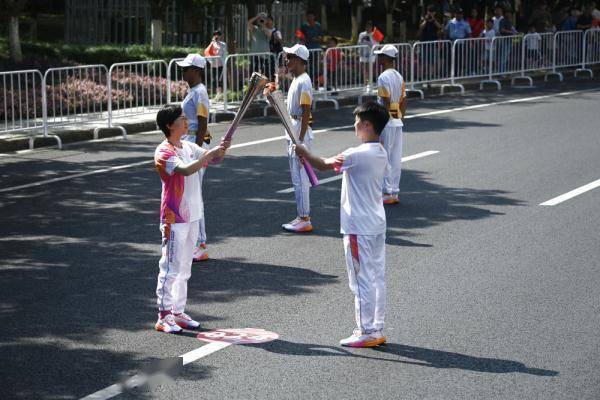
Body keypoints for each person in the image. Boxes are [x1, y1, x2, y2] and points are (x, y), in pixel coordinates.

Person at [293, 102, 389, 347]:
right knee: (376, 278)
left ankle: (365, 330)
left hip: (358, 226)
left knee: (360, 280)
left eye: (357, 121)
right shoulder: (380, 151)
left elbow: (323, 165)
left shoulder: (357, 154)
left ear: (367, 125)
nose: (354, 125)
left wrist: (303, 151)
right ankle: (376, 327)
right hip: (376, 224)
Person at [153, 104, 230, 333]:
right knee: (170, 268)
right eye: (182, 119)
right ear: (169, 125)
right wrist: (211, 154)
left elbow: (213, 160)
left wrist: (221, 150)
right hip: (174, 217)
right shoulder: (163, 152)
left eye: (186, 119)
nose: (187, 122)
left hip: (194, 214)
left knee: (185, 268)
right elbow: (186, 170)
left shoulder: (187, 146)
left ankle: (177, 312)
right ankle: (163, 315)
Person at [269, 44, 315, 233]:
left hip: (298, 131)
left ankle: (304, 218)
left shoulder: (304, 81)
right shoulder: (297, 80)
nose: (286, 60)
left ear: (299, 60)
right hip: (293, 128)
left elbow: (306, 112)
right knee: (296, 178)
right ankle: (301, 215)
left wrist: (300, 141)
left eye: (289, 57)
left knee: (301, 179)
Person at [177, 53, 212, 262]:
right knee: (189, 196)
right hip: (189, 144)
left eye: (186, 68)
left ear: (197, 71)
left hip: (195, 145)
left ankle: (201, 244)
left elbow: (202, 124)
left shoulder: (200, 92)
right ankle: (196, 242)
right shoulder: (194, 91)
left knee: (194, 196)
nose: (183, 71)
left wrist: (196, 154)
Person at [374, 45, 406, 205]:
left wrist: (381, 121)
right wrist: (400, 117)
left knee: (384, 156)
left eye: (381, 56)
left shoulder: (383, 77)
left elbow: (385, 101)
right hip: (397, 120)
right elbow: (403, 100)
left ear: (387, 58)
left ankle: (386, 192)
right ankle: (394, 191)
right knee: (395, 157)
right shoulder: (399, 76)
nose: (379, 58)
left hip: (386, 121)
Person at [204, 30, 226, 102]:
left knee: (219, 79)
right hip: (213, 65)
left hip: (220, 65)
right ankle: (218, 94)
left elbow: (224, 54)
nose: (217, 36)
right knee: (214, 80)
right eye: (215, 34)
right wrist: (212, 43)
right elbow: (207, 52)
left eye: (218, 34)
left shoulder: (223, 44)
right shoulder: (212, 44)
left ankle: (220, 95)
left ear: (220, 36)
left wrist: (224, 62)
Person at [248, 12, 272, 76]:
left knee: (265, 75)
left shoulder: (269, 30)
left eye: (263, 19)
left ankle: (265, 86)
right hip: (255, 55)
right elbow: (249, 23)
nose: (261, 20)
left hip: (265, 56)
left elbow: (269, 34)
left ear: (266, 21)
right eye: (260, 19)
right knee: (253, 74)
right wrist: (257, 17)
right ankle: (253, 86)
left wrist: (263, 24)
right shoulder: (254, 28)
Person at [358, 21, 380, 87]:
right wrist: (359, 52)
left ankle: (370, 83)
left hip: (371, 54)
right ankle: (365, 83)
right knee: (365, 68)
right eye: (367, 27)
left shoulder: (375, 34)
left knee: (370, 68)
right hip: (363, 53)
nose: (368, 28)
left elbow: (377, 44)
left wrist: (370, 42)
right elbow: (359, 43)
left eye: (369, 27)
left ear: (372, 27)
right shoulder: (362, 34)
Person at [265, 15, 283, 81]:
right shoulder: (264, 30)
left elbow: (281, 41)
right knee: (267, 69)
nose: (267, 22)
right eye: (266, 20)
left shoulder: (276, 31)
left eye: (269, 20)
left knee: (275, 69)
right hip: (267, 53)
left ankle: (275, 83)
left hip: (275, 53)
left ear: (272, 21)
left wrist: (277, 38)